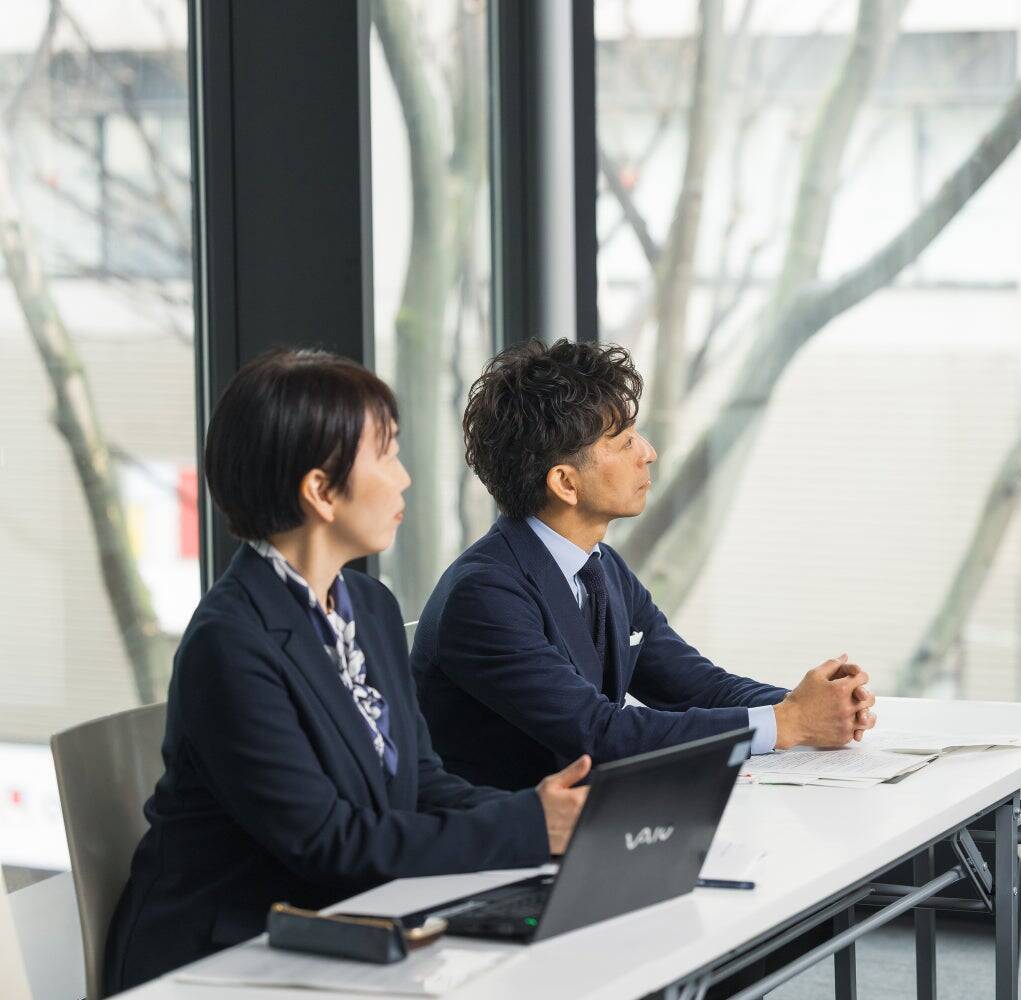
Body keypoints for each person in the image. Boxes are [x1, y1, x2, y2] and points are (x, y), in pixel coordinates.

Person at [104, 350, 590, 995]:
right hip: (223, 960)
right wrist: (529, 828)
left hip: (344, 929)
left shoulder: (370, 606)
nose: (404, 478)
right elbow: (327, 842)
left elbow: (420, 782)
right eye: (386, 455)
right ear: (321, 491)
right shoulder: (230, 642)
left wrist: (549, 814)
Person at [410, 339, 876, 792]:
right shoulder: (485, 595)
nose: (648, 452)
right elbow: (599, 734)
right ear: (565, 483)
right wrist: (789, 721)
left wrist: (815, 705)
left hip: (596, 835)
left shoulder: (601, 566)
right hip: (502, 855)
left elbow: (694, 687)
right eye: (625, 441)